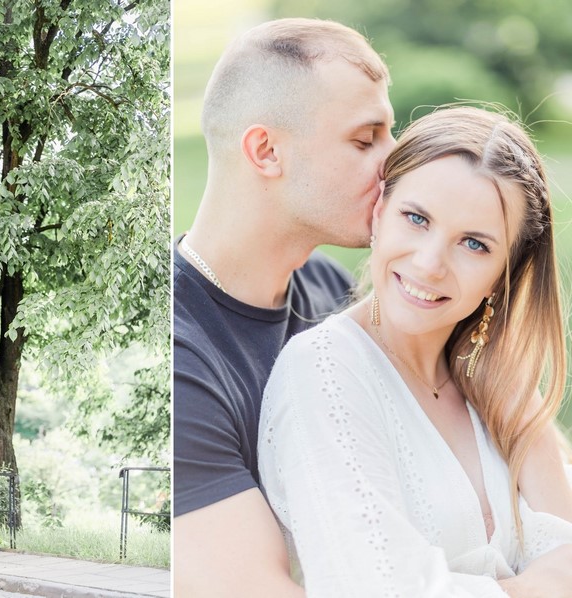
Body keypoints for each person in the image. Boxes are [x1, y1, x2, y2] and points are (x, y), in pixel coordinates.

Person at [258, 106, 572, 597]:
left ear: (503, 276)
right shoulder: (325, 370)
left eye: (474, 244)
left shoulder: (498, 382)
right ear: (380, 213)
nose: (429, 264)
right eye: (417, 218)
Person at [173, 18, 395, 596]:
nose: (395, 163)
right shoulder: (180, 358)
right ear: (266, 150)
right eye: (365, 139)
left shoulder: (328, 288)